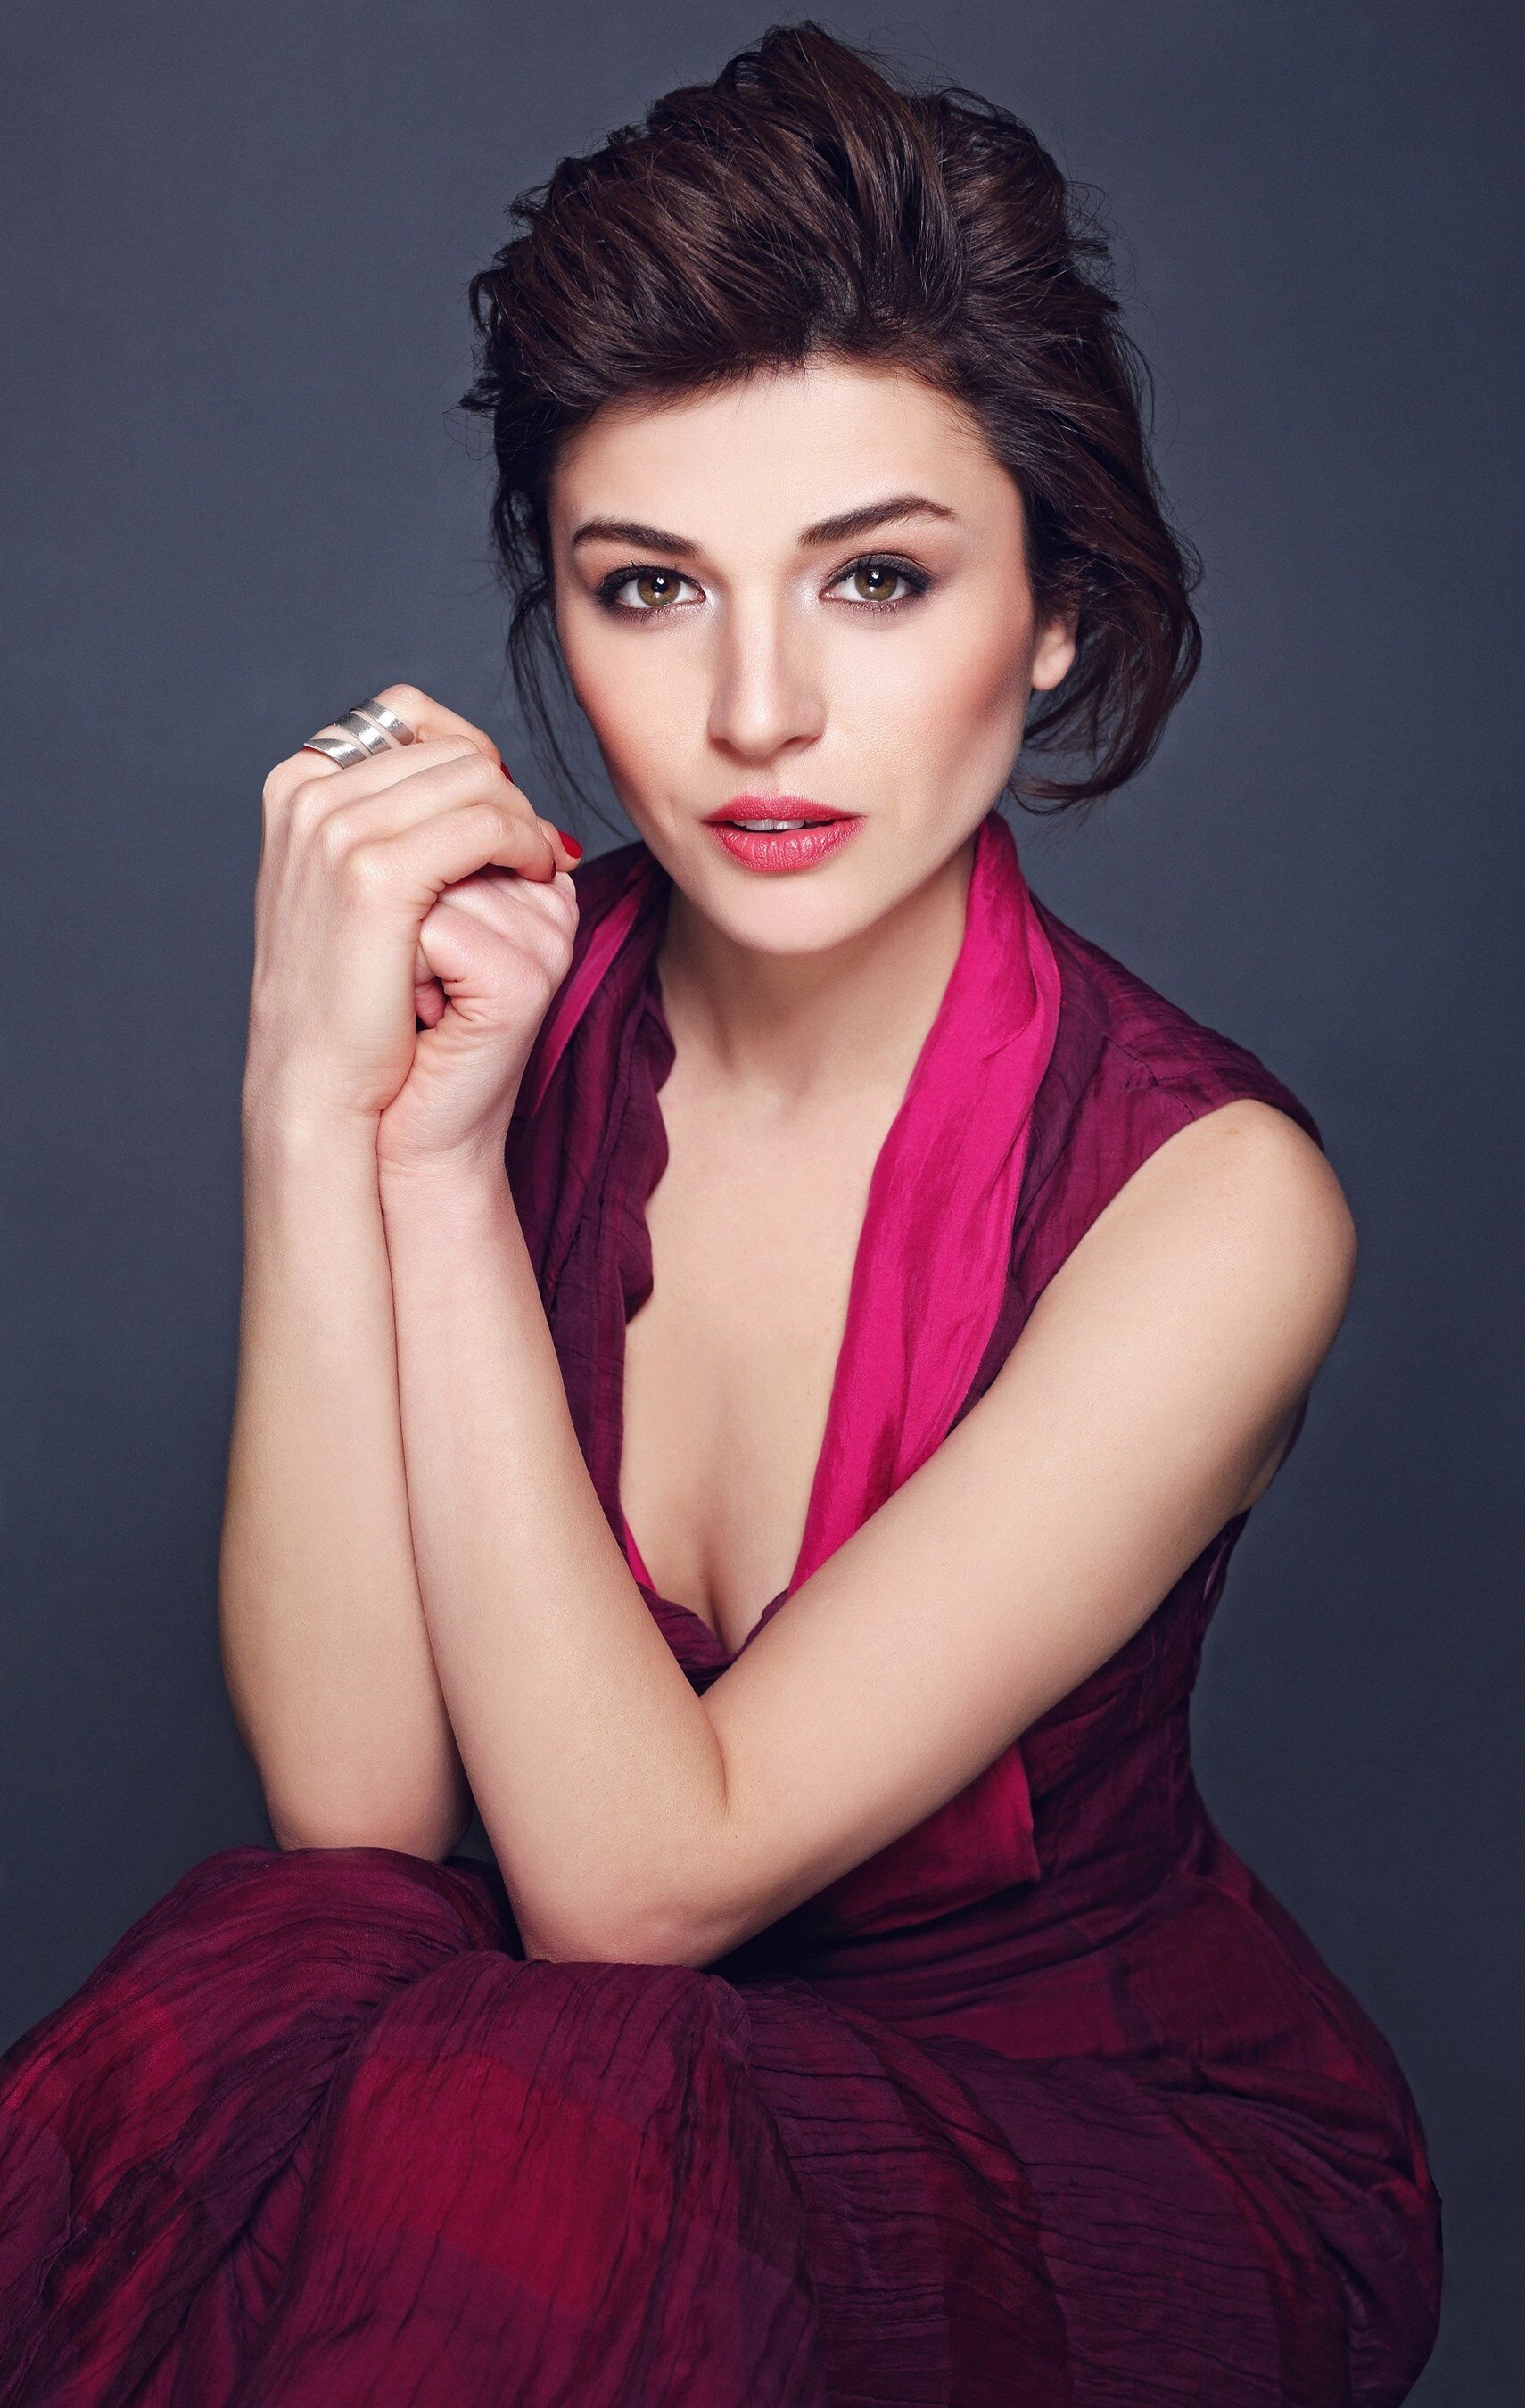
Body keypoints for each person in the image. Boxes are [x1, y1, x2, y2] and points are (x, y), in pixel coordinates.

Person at [0, 23, 1441, 2404]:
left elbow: (632, 1892)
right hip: (577, 2140)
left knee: (519, 2107)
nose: (757, 708)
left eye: (875, 577)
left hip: (1101, 2148)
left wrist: (434, 1178)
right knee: (283, 2023)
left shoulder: (1212, 1203)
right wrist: (331, 1108)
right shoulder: (514, 1016)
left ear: (1055, 609)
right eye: (651, 588)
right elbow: (358, 1837)